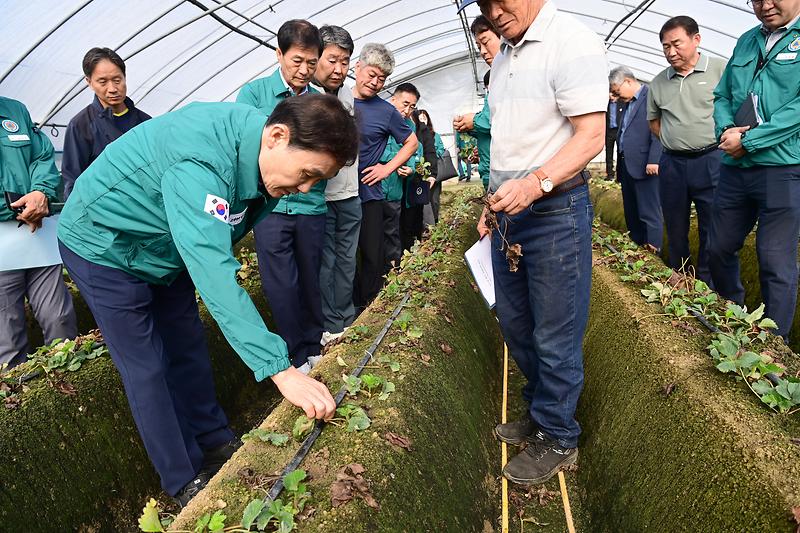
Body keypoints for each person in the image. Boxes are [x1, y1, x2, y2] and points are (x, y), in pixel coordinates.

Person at [57, 95, 356, 507]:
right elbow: (214, 269)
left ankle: (216, 440)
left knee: (189, 345)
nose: (304, 189)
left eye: (315, 181)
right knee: (147, 365)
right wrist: (281, 370)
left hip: (167, 244)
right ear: (277, 136)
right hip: (104, 244)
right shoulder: (202, 161)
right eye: (305, 174)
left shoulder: (267, 161)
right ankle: (182, 480)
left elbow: (218, 236)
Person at [465, 0, 608, 485]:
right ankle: (541, 409)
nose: (493, 10)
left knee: (555, 330)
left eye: (499, 0)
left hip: (555, 211)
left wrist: (535, 185)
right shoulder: (504, 57)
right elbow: (508, 142)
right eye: (482, 4)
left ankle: (560, 436)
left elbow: (591, 136)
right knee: (517, 324)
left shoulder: (572, 42)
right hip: (509, 213)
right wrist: (493, 202)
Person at [236, 20, 325, 373]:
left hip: (310, 205)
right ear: (279, 54)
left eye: (311, 62)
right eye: (297, 60)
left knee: (309, 276)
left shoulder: (320, 103)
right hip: (269, 207)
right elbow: (250, 145)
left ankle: (314, 342)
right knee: (280, 283)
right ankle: (294, 354)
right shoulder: (254, 95)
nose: (304, 70)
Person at [710, 0, 800, 340]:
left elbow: (797, 109)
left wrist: (751, 139)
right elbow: (721, 95)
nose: (766, 5)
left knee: (775, 260)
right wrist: (725, 129)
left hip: (782, 167)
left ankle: (774, 344)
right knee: (718, 248)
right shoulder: (747, 39)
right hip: (736, 168)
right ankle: (734, 312)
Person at [648, 16, 727, 283]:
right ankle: (681, 276)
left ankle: (706, 282)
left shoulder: (720, 69)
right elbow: (654, 122)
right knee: (675, 223)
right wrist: (677, 141)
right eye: (665, 46)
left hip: (712, 159)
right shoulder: (658, 82)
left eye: (676, 44)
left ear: (696, 39)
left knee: (712, 224)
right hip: (673, 164)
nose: (671, 52)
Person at [0, 97, 77, 367]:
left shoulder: (15, 110)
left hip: (36, 238)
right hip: (4, 245)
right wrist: (15, 206)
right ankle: (17, 402)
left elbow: (42, 156)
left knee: (60, 319)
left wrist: (40, 192)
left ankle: (68, 389)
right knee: (7, 338)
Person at [352, 43, 418, 312]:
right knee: (341, 257)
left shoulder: (386, 111)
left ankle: (368, 304)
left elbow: (411, 143)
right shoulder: (337, 99)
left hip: (369, 191)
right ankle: (346, 308)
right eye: (371, 74)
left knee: (372, 252)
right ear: (357, 68)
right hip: (335, 191)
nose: (375, 82)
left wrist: (385, 168)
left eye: (382, 79)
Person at [313, 25, 360, 346]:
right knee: (327, 261)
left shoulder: (346, 94)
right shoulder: (306, 97)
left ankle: (346, 316)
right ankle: (331, 323)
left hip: (350, 193)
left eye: (344, 62)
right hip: (322, 197)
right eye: (332, 60)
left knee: (346, 259)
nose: (339, 69)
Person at [61, 47, 151, 200]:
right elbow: (73, 181)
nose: (112, 89)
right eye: (102, 82)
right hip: (104, 212)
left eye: (117, 80)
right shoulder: (81, 125)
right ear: (89, 82)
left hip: (144, 209)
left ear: (125, 77)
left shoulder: (146, 123)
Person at [609, 67, 663, 251]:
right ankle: (638, 247)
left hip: (645, 164)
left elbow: (658, 130)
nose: (615, 96)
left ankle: (654, 249)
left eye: (617, 91)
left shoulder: (651, 96)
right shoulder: (627, 103)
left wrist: (654, 160)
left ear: (628, 81)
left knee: (649, 211)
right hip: (627, 164)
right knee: (632, 211)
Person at [454, 14, 502, 192]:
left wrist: (473, 121)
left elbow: (499, 120)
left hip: (502, 174)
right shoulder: (498, 79)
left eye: (485, 41)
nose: (482, 51)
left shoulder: (511, 76)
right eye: (478, 46)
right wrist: (470, 127)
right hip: (492, 171)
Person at [381, 83, 421, 271]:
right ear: (393, 99)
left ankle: (393, 271)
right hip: (374, 187)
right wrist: (395, 161)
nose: (407, 110)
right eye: (405, 104)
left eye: (412, 106)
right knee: (372, 235)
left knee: (392, 231)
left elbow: (412, 153)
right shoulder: (379, 116)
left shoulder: (410, 125)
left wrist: (410, 168)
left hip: (395, 189)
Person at [400, 109, 437, 251]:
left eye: (411, 106)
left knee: (415, 211)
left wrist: (432, 173)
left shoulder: (421, 129)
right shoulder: (394, 122)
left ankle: (414, 243)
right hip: (398, 178)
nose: (406, 110)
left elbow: (430, 151)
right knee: (401, 214)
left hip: (417, 178)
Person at [419, 109, 446, 226]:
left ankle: (435, 221)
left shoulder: (435, 136)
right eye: (420, 118)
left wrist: (432, 152)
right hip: (420, 171)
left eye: (424, 118)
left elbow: (441, 149)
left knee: (434, 199)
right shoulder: (413, 135)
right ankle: (424, 224)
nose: (422, 120)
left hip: (434, 172)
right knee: (422, 199)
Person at [605, 94, 625, 181]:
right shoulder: (606, 104)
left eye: (613, 95)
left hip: (619, 131)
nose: (611, 97)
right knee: (609, 153)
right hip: (609, 131)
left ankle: (619, 176)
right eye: (609, 94)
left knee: (619, 153)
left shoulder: (622, 103)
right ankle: (609, 175)